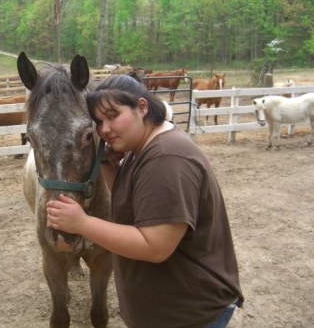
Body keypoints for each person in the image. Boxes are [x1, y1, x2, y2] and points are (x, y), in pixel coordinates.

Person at [46, 74, 243, 328]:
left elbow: (155, 246)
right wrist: (106, 162)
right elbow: (139, 204)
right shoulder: (143, 147)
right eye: (99, 121)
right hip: (169, 309)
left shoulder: (167, 160)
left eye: (113, 116)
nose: (104, 129)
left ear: (142, 107)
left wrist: (82, 223)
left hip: (187, 316)